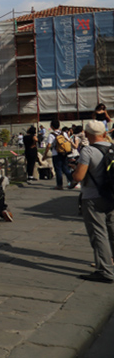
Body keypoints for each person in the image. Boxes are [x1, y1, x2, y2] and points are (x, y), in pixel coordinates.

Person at [71, 120, 114, 283]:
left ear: (87, 135)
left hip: (93, 196)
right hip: (112, 194)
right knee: (112, 229)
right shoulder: (113, 147)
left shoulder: (88, 151)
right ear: (104, 133)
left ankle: (105, 270)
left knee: (98, 233)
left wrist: (74, 171)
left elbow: (79, 177)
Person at [49, 119, 74, 189]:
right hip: (64, 152)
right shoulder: (64, 133)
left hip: (56, 153)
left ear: (52, 126)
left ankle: (59, 185)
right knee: (65, 168)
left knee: (58, 169)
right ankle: (72, 180)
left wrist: (45, 154)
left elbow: (49, 145)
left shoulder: (52, 135)